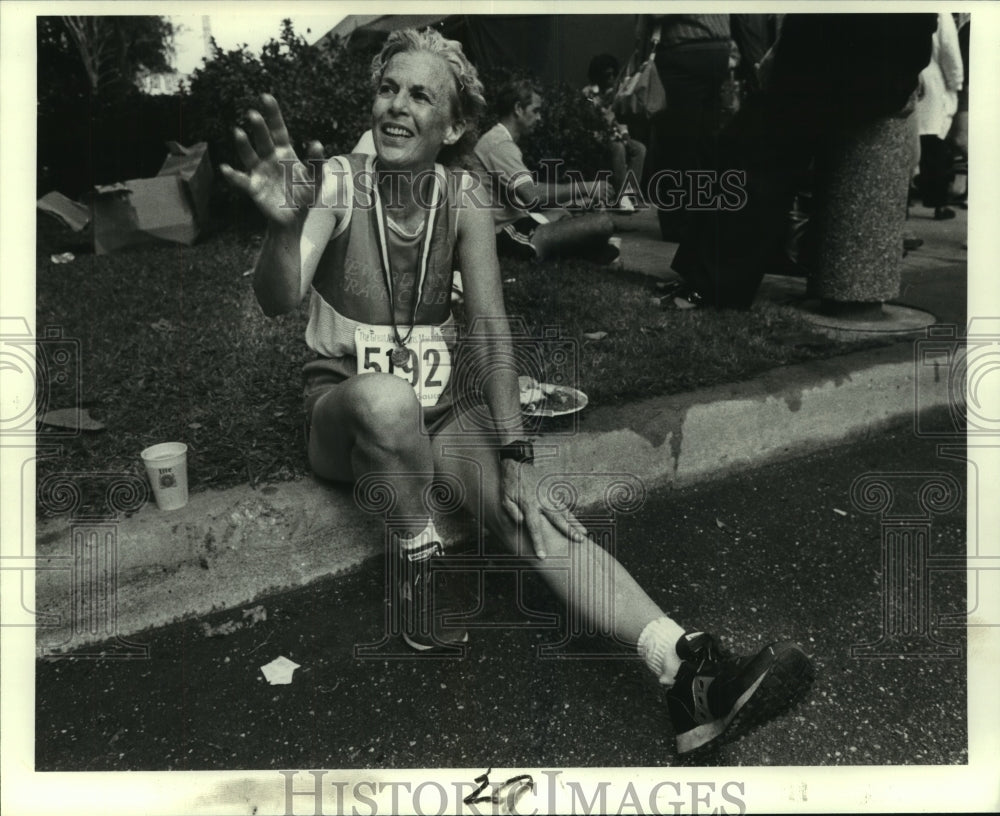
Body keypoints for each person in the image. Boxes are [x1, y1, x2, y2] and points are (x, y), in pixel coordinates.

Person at [220, 27, 814, 756]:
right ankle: (418, 568)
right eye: (387, 89)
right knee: (385, 401)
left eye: (419, 95)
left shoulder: (464, 196)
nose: (396, 108)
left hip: (436, 411)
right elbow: (279, 299)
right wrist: (284, 231)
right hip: (344, 410)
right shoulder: (340, 181)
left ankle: (682, 667)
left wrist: (515, 453)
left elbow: (492, 329)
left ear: (455, 123)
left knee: (533, 510)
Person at [472, 79, 620, 264]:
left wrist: (575, 201)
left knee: (564, 213)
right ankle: (585, 251)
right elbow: (532, 194)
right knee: (603, 223)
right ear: (518, 108)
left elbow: (524, 198)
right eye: (536, 111)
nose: (540, 118)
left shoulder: (499, 140)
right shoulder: (499, 144)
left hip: (513, 225)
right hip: (503, 235)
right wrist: (588, 187)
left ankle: (585, 251)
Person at [914, 12, 964, 220]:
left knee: (911, 144)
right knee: (934, 147)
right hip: (934, 83)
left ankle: (905, 199)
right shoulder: (941, 13)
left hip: (913, 80)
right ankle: (938, 203)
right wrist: (956, 82)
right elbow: (949, 50)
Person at [583, 54, 646, 210]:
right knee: (618, 148)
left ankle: (631, 194)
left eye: (612, 74)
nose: (610, 78)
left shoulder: (616, 93)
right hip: (597, 136)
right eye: (606, 75)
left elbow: (620, 120)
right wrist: (604, 104)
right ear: (598, 76)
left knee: (639, 149)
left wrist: (624, 133)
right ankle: (622, 197)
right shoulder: (589, 94)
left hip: (615, 133)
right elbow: (591, 119)